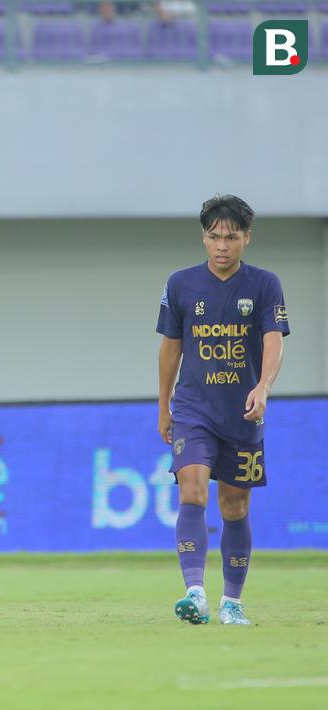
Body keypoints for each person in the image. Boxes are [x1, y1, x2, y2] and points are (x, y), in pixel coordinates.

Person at [157, 195, 288, 626]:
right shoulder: (180, 284)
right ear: (204, 237)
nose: (221, 246)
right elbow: (171, 347)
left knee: (234, 507)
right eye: (214, 236)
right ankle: (195, 594)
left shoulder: (265, 284)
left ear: (247, 238)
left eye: (231, 237)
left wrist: (263, 387)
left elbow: (274, 339)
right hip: (193, 408)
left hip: (243, 412)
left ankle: (232, 602)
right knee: (191, 490)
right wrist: (163, 405)